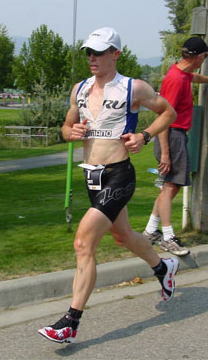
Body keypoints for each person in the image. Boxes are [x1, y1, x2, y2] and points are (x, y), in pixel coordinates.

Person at [38, 27, 178, 344]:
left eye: (99, 52)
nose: (92, 58)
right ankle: (163, 267)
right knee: (122, 235)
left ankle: (69, 323)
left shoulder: (134, 88)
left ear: (115, 54)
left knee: (83, 243)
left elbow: (168, 112)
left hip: (119, 176)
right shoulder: (80, 89)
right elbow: (67, 123)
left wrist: (145, 136)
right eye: (89, 52)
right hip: (92, 175)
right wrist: (69, 132)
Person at [142, 37, 208, 256]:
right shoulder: (175, 80)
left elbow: (192, 77)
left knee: (171, 186)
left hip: (176, 136)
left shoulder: (181, 74)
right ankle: (168, 236)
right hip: (171, 135)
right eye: (205, 56)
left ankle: (151, 230)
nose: (205, 59)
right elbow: (163, 116)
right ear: (200, 57)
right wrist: (165, 152)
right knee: (170, 186)